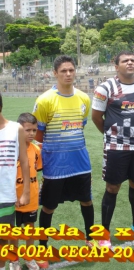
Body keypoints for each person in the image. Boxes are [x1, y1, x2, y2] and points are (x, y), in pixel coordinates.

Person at [32, 55, 98, 269]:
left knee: (86, 200)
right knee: (49, 207)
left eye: (71, 70)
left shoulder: (83, 98)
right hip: (55, 164)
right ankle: (42, 250)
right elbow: (38, 136)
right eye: (63, 71)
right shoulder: (44, 100)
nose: (68, 74)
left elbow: (81, 125)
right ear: (55, 73)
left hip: (80, 162)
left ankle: (91, 239)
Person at [92, 51, 134, 248]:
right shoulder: (106, 88)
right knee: (112, 187)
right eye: (125, 61)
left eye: (133, 60)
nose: (130, 63)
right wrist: (113, 134)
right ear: (116, 66)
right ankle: (104, 234)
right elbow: (96, 117)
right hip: (115, 146)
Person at [0, 93, 30, 270]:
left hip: (6, 194)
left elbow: (24, 161)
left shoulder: (15, 129)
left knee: (3, 236)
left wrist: (26, 191)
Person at [10, 113, 42, 270]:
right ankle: (14, 260)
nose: (31, 134)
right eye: (27, 130)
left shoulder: (36, 150)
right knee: (13, 233)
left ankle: (29, 258)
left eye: (34, 130)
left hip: (31, 200)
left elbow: (38, 171)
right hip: (13, 200)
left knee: (30, 229)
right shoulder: (11, 150)